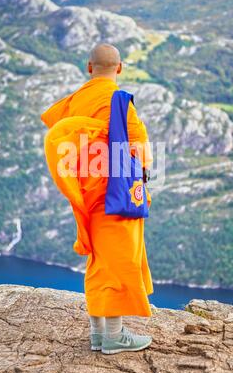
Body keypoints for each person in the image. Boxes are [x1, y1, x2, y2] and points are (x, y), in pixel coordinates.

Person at [41, 43, 154, 355]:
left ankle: (97, 333)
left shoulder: (76, 101)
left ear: (89, 68)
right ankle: (114, 336)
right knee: (118, 261)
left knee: (99, 261)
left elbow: (67, 137)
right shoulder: (120, 103)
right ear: (119, 69)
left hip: (87, 193)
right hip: (115, 195)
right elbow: (140, 154)